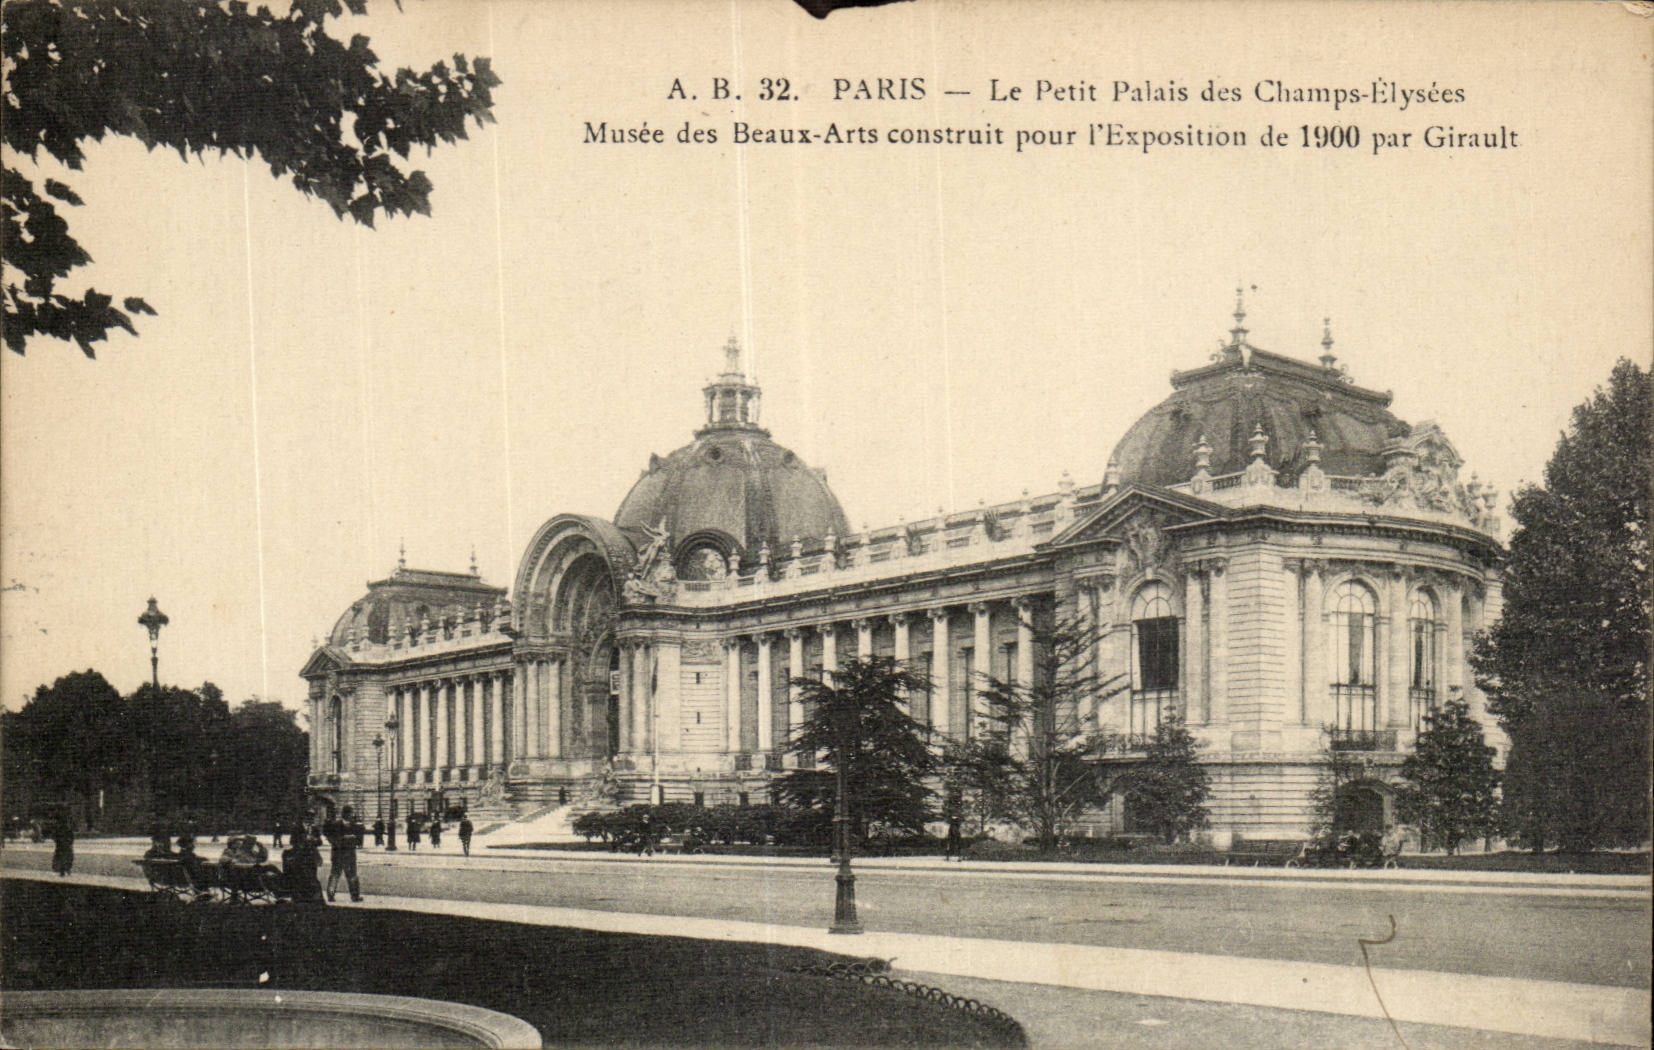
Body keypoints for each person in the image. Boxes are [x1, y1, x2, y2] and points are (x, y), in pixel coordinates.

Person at [323, 806, 364, 903]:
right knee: (335, 875)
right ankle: (330, 894)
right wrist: (342, 840)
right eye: (350, 813)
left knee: (352, 875)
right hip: (338, 854)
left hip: (350, 855)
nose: (351, 815)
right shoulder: (336, 824)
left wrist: (355, 839)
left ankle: (355, 896)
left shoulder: (354, 825)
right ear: (345, 814)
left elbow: (358, 839)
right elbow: (330, 836)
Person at [281, 828, 326, 903]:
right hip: (305, 875)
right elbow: (319, 863)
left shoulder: (287, 853)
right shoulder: (297, 828)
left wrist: (313, 841)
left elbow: (319, 842)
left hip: (310, 856)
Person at [50, 811, 75, 876]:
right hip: (65, 843)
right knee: (67, 856)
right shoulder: (67, 827)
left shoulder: (58, 827)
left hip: (61, 844)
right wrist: (71, 842)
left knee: (61, 856)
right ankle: (67, 869)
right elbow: (71, 835)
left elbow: (55, 835)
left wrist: (56, 840)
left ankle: (62, 870)